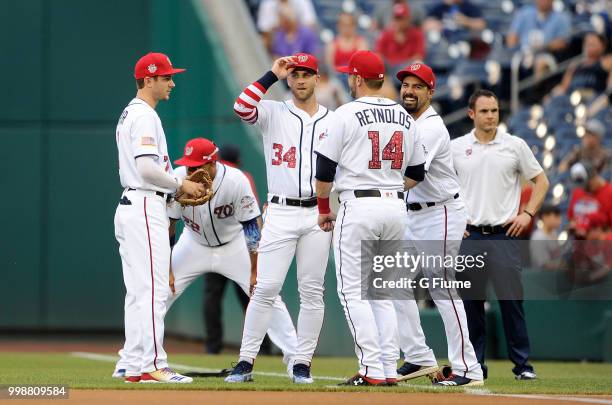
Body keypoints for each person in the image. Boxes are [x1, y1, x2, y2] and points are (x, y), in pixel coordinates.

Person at [315, 50, 426, 386]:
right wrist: (389, 187)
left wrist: (323, 208)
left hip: (359, 205)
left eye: (350, 75)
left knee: (352, 291)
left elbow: (324, 171)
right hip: (395, 207)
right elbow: (418, 172)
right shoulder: (405, 116)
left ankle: (370, 369)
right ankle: (389, 368)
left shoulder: (345, 114)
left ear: (358, 79)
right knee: (382, 292)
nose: (348, 80)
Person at [226, 53, 336, 384]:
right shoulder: (273, 111)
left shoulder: (334, 120)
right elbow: (241, 107)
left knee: (312, 291)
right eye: (294, 74)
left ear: (317, 79)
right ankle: (245, 362)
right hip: (281, 210)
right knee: (266, 288)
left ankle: (302, 363)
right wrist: (271, 75)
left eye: (306, 74)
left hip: (318, 214)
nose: (299, 79)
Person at [112, 52, 204, 383]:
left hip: (134, 205)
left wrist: (172, 188)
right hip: (145, 205)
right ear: (148, 79)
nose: (172, 82)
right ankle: (153, 363)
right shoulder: (145, 116)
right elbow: (147, 168)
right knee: (152, 289)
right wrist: (181, 183)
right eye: (166, 77)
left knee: (138, 290)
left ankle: (131, 362)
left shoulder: (129, 113)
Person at [165, 137, 298, 365]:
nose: (191, 170)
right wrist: (166, 270)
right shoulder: (178, 179)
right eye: (188, 165)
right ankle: (137, 358)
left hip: (233, 244)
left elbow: (250, 228)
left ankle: (297, 360)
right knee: (159, 291)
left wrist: (255, 270)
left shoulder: (236, 181)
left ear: (211, 164)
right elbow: (170, 225)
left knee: (266, 294)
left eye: (196, 166)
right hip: (193, 243)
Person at [391, 62, 484, 386]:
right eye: (405, 85)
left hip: (439, 212)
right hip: (413, 214)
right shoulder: (405, 122)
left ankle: (468, 368)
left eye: (417, 86)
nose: (409, 91)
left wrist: (373, 191)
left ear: (431, 92)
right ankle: (417, 354)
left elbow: (412, 176)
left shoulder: (430, 126)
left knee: (441, 287)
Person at [451, 89, 550, 380]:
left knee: (511, 302)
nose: (491, 116)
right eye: (484, 111)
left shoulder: (514, 145)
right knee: (471, 305)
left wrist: (527, 214)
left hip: (504, 234)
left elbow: (541, 181)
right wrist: (455, 221)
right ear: (471, 114)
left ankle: (523, 366)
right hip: (469, 236)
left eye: (494, 110)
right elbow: (443, 186)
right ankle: (475, 366)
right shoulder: (456, 147)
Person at [201, 144, 268, 355]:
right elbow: (253, 215)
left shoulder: (210, 175)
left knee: (212, 296)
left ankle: (213, 346)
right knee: (251, 297)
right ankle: (263, 348)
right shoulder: (241, 176)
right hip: (239, 244)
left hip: (213, 240)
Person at [506, 0, 571, 79]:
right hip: (523, 53)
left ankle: (534, 90)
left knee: (540, 63)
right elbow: (511, 38)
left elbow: (562, 43)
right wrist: (518, 50)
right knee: (508, 64)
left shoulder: (561, 17)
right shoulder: (525, 12)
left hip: (547, 54)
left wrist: (542, 47)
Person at [552, 32, 612, 98]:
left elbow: (609, 90)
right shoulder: (575, 64)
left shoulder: (606, 62)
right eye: (587, 43)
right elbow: (563, 87)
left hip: (591, 98)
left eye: (592, 43)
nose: (589, 46)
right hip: (570, 98)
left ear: (602, 46)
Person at [376, 3, 426, 74]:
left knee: (418, 63)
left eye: (401, 19)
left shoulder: (416, 34)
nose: (398, 22)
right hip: (389, 71)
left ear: (408, 19)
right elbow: (379, 54)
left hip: (409, 70)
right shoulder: (386, 34)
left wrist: (402, 66)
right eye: (396, 19)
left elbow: (419, 56)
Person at [567, 161, 612, 239]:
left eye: (587, 184)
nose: (584, 188)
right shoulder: (578, 191)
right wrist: (575, 226)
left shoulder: (609, 193)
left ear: (594, 177)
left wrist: (603, 237)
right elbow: (572, 217)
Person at [529, 204, 563, 270]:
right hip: (541, 277)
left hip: (554, 275)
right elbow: (543, 264)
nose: (559, 220)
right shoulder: (538, 237)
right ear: (545, 217)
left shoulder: (554, 233)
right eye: (556, 216)